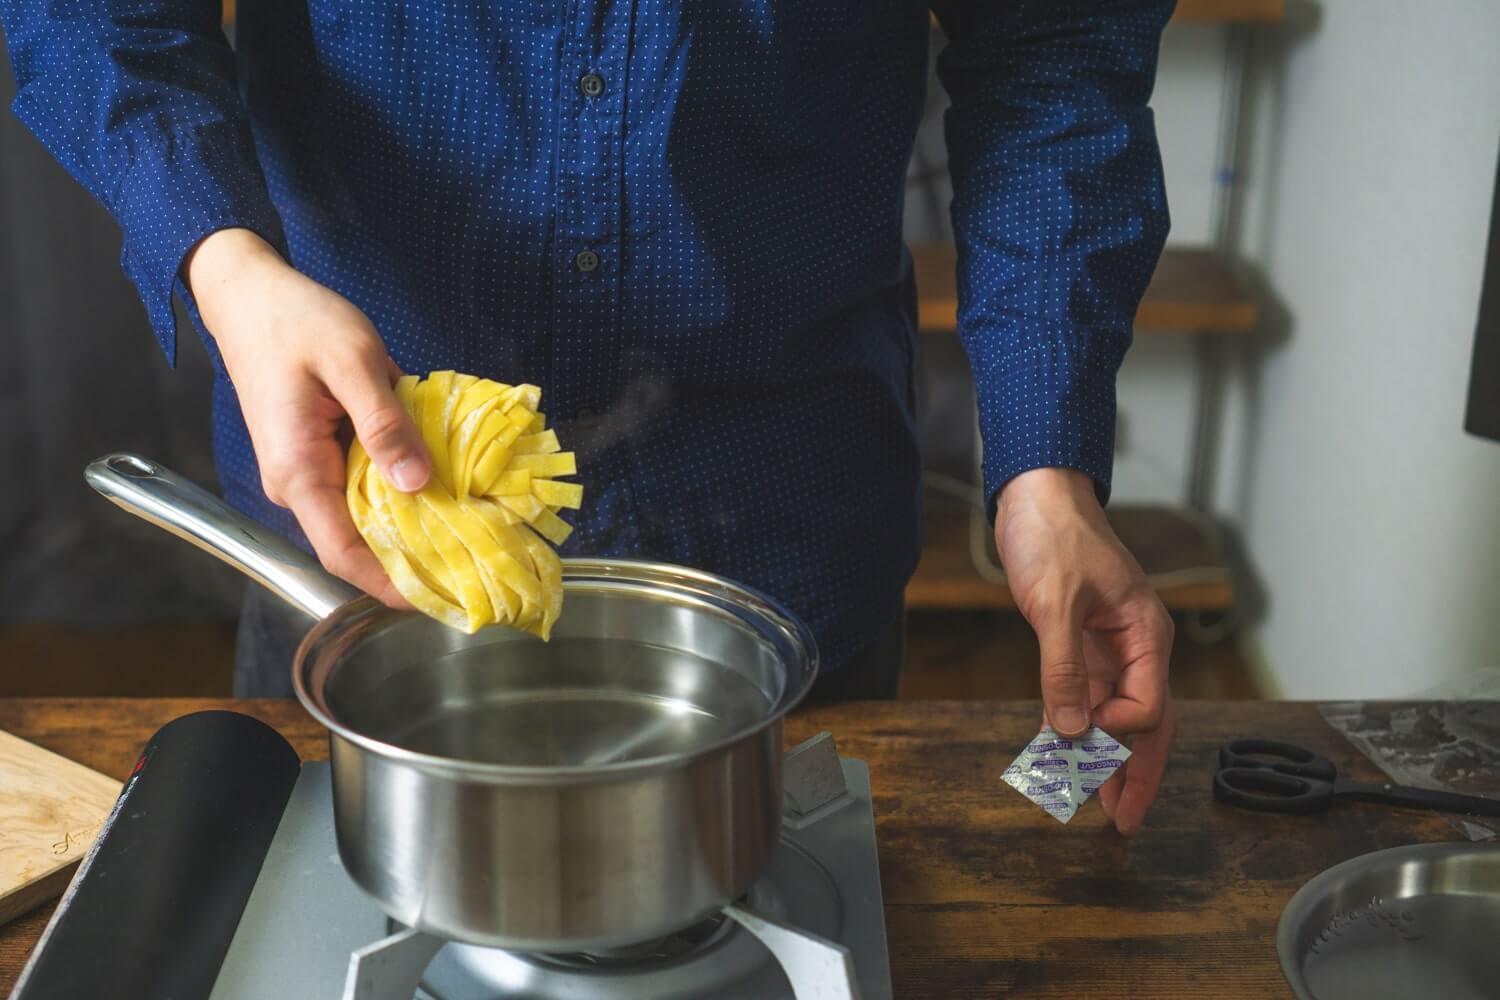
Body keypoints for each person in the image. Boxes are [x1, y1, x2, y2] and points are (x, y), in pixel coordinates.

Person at [1, 1, 1177, 835]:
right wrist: (226, 262)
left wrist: (1045, 466)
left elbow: (1057, 53)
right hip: (361, 531)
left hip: (785, 531)